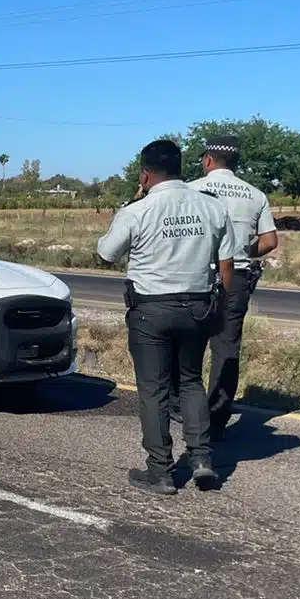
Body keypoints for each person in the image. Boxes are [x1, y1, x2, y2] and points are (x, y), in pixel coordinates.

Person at [97, 139, 236, 496]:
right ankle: (202, 458)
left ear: (144, 174)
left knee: (154, 389)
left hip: (151, 311)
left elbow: (107, 253)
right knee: (190, 380)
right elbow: (226, 261)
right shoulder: (211, 207)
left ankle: (160, 471)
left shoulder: (138, 210)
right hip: (197, 307)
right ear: (181, 167)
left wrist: (132, 202)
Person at [192, 134, 278, 437]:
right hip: (237, 277)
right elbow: (269, 241)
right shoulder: (255, 194)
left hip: (196, 275)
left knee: (188, 345)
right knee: (226, 350)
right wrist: (242, 252)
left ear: (207, 160)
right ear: (236, 162)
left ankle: (187, 412)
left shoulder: (191, 191)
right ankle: (216, 421)